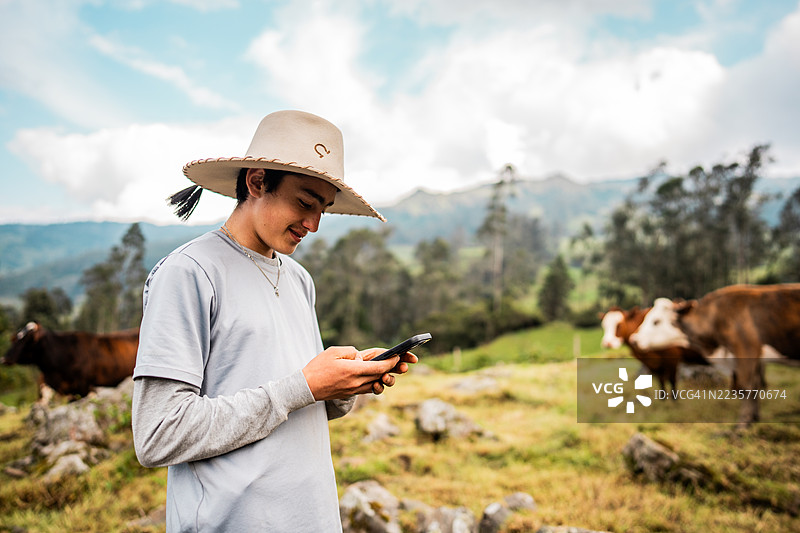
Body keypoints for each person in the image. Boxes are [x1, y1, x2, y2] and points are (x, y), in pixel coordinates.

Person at [131, 110, 417, 532]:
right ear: (257, 182)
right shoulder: (190, 273)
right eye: (304, 202)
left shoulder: (299, 279)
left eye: (323, 209)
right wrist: (303, 386)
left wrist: (342, 385)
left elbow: (295, 401)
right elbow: (158, 434)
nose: (314, 225)